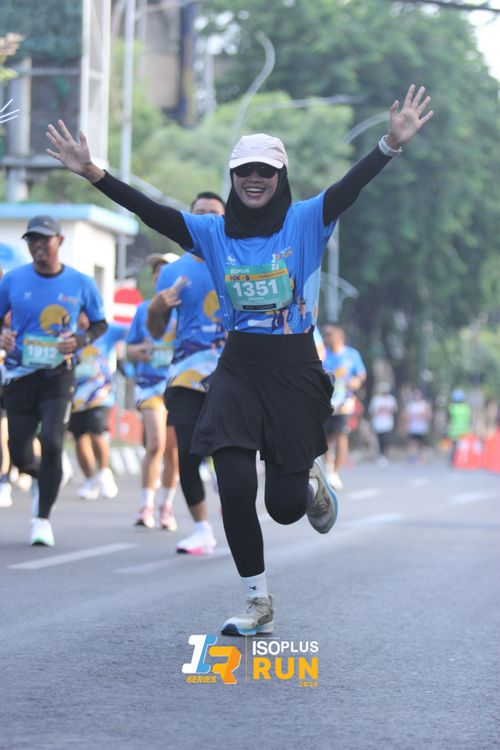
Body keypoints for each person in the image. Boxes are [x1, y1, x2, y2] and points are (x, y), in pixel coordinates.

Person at [46, 83, 433, 633]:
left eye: (265, 172)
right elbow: (152, 213)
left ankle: (307, 479)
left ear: (280, 176)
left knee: (283, 508)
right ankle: (257, 600)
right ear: (232, 177)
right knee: (233, 483)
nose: (254, 179)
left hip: (294, 371)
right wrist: (93, 173)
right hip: (236, 371)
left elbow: (351, 187)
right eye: (244, 171)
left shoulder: (307, 220)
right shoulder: (211, 233)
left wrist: (389, 145)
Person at [0, 215, 107, 546]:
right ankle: (46, 475)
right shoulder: (13, 279)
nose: (38, 246)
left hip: (59, 376)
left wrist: (79, 340)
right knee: (19, 453)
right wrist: (3, 335)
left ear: (59, 241)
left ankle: (42, 519)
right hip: (19, 375)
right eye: (32, 240)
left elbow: (100, 324)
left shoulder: (80, 282)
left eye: (44, 239)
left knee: (53, 441)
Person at [146, 191, 226, 555]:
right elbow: (157, 330)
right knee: (190, 452)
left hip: (233, 373)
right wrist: (156, 308)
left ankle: (232, 496)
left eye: (214, 214)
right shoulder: (172, 272)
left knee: (230, 451)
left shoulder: (240, 260)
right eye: (199, 213)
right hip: (186, 375)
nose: (206, 219)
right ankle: (201, 529)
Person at [126, 253, 179, 530]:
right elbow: (129, 348)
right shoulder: (143, 309)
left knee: (173, 451)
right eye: (156, 272)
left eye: (165, 270)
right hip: (150, 387)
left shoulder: (186, 309)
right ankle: (145, 505)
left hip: (180, 386)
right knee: (156, 443)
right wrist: (140, 351)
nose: (160, 275)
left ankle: (166, 506)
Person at [68, 313, 126, 500]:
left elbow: (132, 331)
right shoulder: (69, 332)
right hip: (75, 396)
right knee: (80, 438)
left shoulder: (106, 330)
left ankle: (104, 472)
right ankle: (90, 480)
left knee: (97, 431)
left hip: (100, 395)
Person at [321, 323, 366, 488]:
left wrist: (356, 381)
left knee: (341, 434)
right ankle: (328, 463)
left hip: (344, 402)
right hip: (324, 401)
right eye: (324, 335)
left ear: (340, 337)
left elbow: (361, 374)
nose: (326, 338)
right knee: (323, 438)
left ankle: (335, 473)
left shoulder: (351, 354)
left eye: (329, 335)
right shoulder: (322, 353)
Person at [368, 382, 398, 466]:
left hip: (388, 423)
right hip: (378, 423)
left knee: (386, 439)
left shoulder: (391, 399)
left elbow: (395, 409)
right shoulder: (376, 399)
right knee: (380, 439)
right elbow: (372, 411)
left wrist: (387, 408)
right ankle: (381, 455)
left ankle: (385, 454)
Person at [403, 387, 433, 463]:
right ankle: (413, 457)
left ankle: (422, 458)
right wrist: (406, 426)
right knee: (413, 443)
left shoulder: (424, 404)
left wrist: (424, 417)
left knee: (422, 444)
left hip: (422, 427)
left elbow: (428, 415)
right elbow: (406, 416)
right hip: (413, 427)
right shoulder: (410, 405)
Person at [447, 388, 471, 463]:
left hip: (454, 431)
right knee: (462, 448)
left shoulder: (452, 407)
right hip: (464, 430)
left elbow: (449, 419)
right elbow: (469, 419)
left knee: (454, 447)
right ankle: (462, 461)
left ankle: (453, 461)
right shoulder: (466, 407)